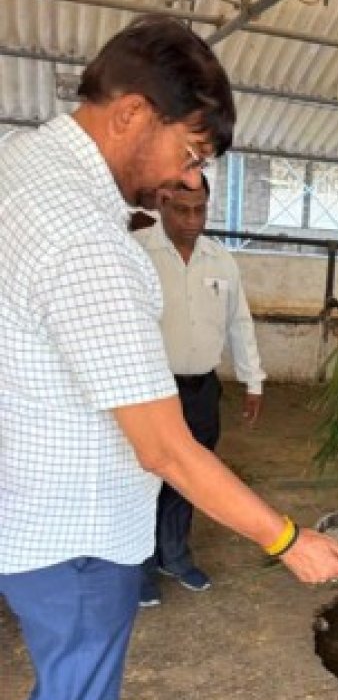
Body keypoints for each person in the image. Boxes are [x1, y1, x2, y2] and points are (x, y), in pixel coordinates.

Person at [0, 15, 338, 700]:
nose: (181, 178)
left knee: (88, 685)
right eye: (187, 149)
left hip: (37, 489)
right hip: (70, 523)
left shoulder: (19, 168)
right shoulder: (87, 241)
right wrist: (288, 542)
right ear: (129, 113)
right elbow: (167, 450)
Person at [136, 174, 265, 605]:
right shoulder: (137, 254)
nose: (192, 220)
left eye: (200, 210)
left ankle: (173, 554)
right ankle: (137, 566)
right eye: (181, 210)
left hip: (201, 390)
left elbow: (239, 323)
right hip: (149, 389)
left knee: (191, 476)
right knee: (143, 477)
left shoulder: (221, 261)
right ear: (161, 202)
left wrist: (253, 379)